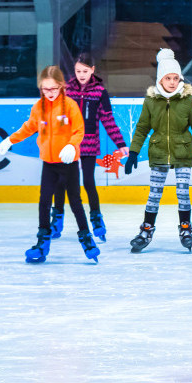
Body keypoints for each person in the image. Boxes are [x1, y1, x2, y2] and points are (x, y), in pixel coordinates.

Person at [0, 65, 99, 264]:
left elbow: (79, 130)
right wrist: (10, 140)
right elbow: (29, 127)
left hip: (68, 163)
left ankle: (87, 239)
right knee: (44, 202)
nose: (50, 93)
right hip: (49, 163)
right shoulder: (39, 107)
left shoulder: (69, 106)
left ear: (61, 86)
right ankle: (42, 242)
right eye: (45, 89)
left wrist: (71, 145)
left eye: (53, 89)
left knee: (75, 203)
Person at [124, 49, 192, 254]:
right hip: (159, 152)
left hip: (183, 153)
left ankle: (186, 229)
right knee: (154, 195)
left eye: (176, 78)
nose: (173, 82)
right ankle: (146, 230)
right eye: (168, 78)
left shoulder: (187, 101)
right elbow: (141, 128)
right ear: (160, 79)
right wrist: (133, 153)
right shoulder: (151, 101)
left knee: (183, 192)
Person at [51, 53, 128, 242]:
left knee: (88, 182)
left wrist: (121, 143)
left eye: (85, 71)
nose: (81, 74)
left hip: (89, 144)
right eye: (78, 71)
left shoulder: (100, 92)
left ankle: (96, 218)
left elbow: (108, 120)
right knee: (61, 182)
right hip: (68, 145)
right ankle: (57, 218)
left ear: (93, 70)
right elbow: (60, 117)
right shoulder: (67, 90)